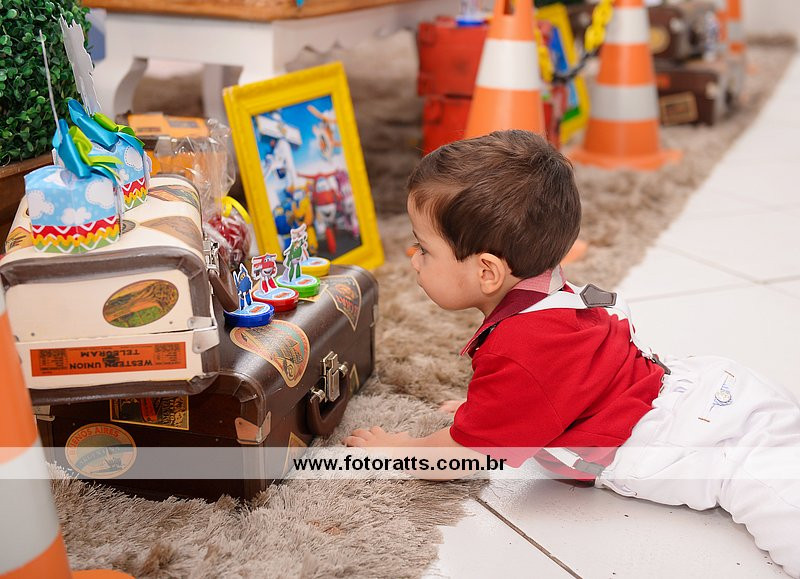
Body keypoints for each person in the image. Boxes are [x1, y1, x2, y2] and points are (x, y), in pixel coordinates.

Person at [344, 130, 800, 577]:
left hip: (697, 441)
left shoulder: (519, 348)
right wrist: (490, 412)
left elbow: (466, 455)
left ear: (487, 271)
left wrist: (398, 450)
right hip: (704, 392)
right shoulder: (548, 292)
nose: (412, 257)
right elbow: (554, 385)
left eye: (424, 248)